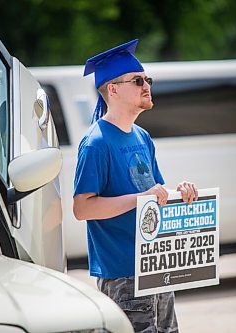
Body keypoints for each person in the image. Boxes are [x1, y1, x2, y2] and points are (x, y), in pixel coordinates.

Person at [73, 39, 198, 333]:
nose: (147, 86)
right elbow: (82, 207)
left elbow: (155, 194)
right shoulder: (96, 143)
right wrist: (140, 197)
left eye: (147, 79)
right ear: (113, 90)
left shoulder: (142, 136)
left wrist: (181, 192)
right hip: (123, 276)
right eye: (138, 80)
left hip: (155, 267)